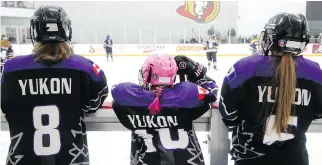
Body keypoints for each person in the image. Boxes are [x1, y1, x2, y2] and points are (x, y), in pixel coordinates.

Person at [1, 5, 108, 165]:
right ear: (66, 30)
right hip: (71, 160)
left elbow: (6, 105)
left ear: (34, 31)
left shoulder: (11, 69)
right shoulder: (85, 68)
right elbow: (94, 103)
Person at [218, 13, 321, 165]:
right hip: (295, 158)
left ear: (270, 39)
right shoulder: (315, 73)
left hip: (251, 157)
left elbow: (228, 115)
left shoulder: (244, 68)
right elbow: (318, 112)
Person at [111, 54, 218, 165]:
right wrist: (194, 70)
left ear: (147, 73)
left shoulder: (132, 99)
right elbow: (211, 91)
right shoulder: (186, 94)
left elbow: (117, 90)